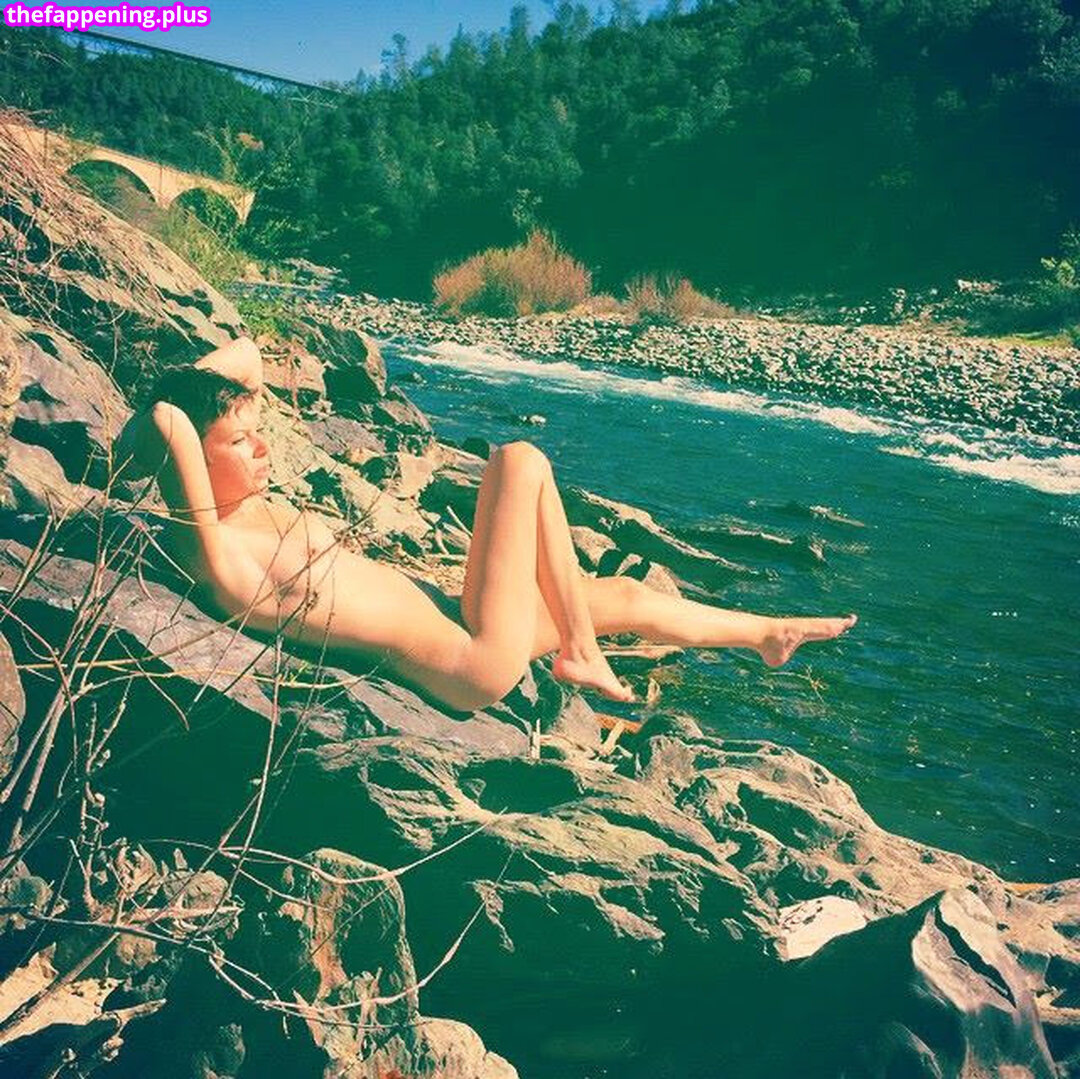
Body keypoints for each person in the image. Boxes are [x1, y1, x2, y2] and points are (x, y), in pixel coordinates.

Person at [118, 337, 857, 713]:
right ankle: (580, 652)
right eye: (239, 442)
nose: (262, 448)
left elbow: (244, 359)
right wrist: (176, 417)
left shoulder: (247, 510)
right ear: (189, 459)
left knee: (622, 596)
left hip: (460, 619)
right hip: (471, 660)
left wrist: (220, 410)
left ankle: (765, 633)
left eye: (258, 434)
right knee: (520, 461)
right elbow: (162, 420)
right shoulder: (220, 552)